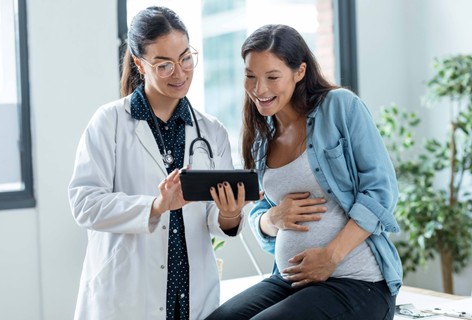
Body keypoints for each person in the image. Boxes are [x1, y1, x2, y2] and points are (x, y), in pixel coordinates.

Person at [206, 24, 402, 320]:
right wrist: (271, 219)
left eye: (272, 77)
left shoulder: (340, 107)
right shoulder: (261, 138)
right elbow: (262, 210)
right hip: (290, 280)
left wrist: (330, 257)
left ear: (299, 72)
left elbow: (381, 190)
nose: (259, 90)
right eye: (250, 76)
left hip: (356, 282)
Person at [68, 6, 248, 320]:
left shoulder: (211, 131)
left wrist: (230, 215)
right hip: (127, 299)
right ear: (139, 63)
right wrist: (155, 206)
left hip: (192, 299)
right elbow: (85, 204)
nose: (179, 73)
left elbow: (213, 219)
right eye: (164, 65)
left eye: (186, 58)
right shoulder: (108, 123)